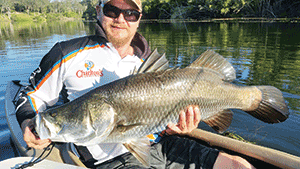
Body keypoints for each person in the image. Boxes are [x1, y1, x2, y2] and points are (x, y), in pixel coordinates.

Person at [15, 0, 255, 168]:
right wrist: (28, 121)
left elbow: (163, 120)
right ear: (98, 11)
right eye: (112, 10)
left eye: (130, 13)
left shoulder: (145, 60)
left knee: (238, 166)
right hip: (111, 161)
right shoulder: (66, 52)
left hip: (163, 145)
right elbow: (29, 94)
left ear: (139, 19)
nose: (121, 19)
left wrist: (178, 127)